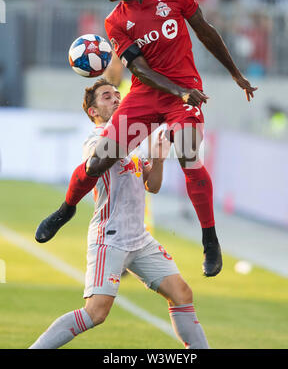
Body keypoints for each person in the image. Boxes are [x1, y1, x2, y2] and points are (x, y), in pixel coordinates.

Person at [36, 0, 258, 278]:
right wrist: (179, 90)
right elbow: (139, 70)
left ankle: (210, 240)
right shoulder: (115, 22)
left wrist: (235, 73)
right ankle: (66, 210)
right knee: (100, 160)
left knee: (188, 153)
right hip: (147, 93)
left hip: (183, 91)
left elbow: (206, 31)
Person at [30, 80, 209, 349]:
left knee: (182, 293)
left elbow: (153, 186)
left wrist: (158, 159)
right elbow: (102, 160)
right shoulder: (95, 140)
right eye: (106, 97)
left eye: (117, 95)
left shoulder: (133, 140)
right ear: (93, 111)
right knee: (96, 313)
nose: (115, 99)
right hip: (110, 238)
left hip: (140, 238)